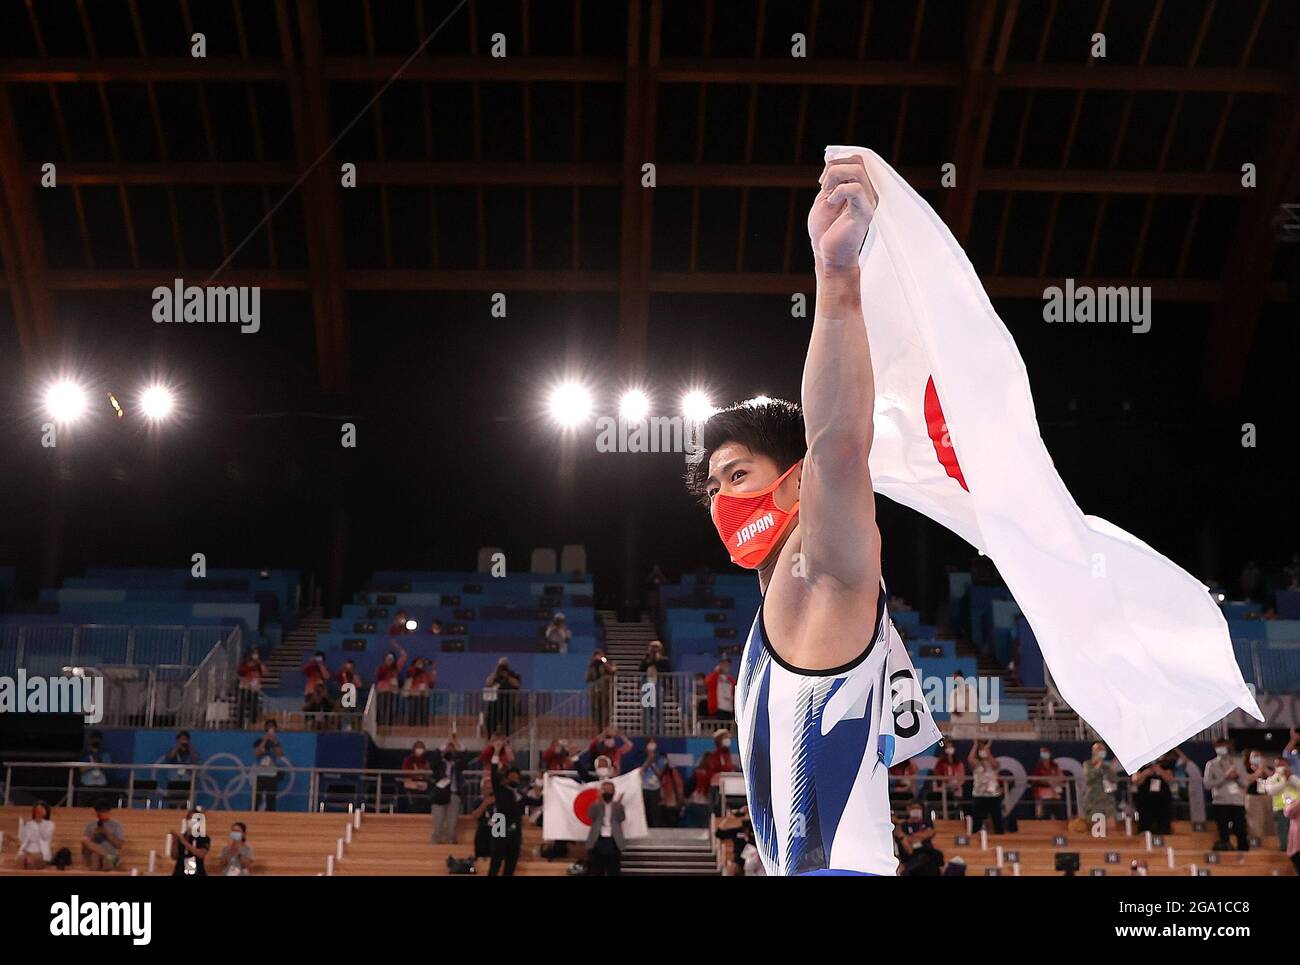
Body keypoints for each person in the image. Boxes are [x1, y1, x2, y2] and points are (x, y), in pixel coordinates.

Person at [682, 155, 916, 875]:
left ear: (795, 483)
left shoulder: (825, 569)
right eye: (713, 487)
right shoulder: (780, 611)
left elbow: (841, 445)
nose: (723, 500)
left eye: (738, 474)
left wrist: (837, 276)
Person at [1204, 738, 1250, 851]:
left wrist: (1236, 777)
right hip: (1220, 801)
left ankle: (1243, 850)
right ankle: (1226, 849)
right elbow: (1207, 784)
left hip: (1237, 801)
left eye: (1223, 746)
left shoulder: (1238, 763)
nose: (1221, 749)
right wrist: (1225, 777)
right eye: (1219, 747)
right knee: (1223, 829)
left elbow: (1245, 783)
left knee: (1240, 829)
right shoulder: (1212, 764)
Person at [487, 755, 527, 877]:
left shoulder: (521, 795)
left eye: (517, 777)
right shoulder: (501, 790)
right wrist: (495, 758)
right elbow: (494, 777)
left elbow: (538, 801)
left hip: (515, 831)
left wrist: (546, 782)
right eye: (512, 776)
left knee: (512, 861)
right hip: (500, 825)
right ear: (507, 778)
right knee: (496, 860)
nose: (515, 779)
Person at [432, 740, 470, 844]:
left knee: (452, 822)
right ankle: (435, 843)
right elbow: (434, 759)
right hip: (440, 794)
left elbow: (465, 758)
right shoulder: (439, 763)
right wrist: (442, 748)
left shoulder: (457, 764)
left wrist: (458, 744)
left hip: (454, 794)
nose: (450, 750)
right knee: (438, 822)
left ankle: (451, 843)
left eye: (452, 748)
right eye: (448, 748)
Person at [585, 781, 626, 876]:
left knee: (613, 870)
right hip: (597, 839)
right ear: (601, 791)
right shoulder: (596, 804)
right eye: (605, 790)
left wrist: (619, 806)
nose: (607, 792)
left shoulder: (618, 805)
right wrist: (598, 802)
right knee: (596, 869)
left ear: (614, 792)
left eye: (610, 790)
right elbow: (590, 815)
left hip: (613, 840)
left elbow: (622, 818)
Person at [894, 802, 943, 876]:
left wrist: (910, 837)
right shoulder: (903, 825)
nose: (916, 810)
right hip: (910, 853)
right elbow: (903, 838)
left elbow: (930, 833)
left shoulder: (926, 822)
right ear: (908, 810)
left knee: (935, 856)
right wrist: (919, 836)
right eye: (914, 808)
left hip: (927, 851)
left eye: (918, 808)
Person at [967, 739, 1004, 834]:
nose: (982, 751)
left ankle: (1000, 836)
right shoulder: (976, 763)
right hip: (979, 795)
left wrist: (987, 749)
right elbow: (970, 759)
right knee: (977, 819)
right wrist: (975, 745)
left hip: (993, 795)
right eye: (981, 750)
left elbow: (995, 764)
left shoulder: (994, 763)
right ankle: (975, 835)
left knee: (997, 819)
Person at [1263, 755, 1300, 850]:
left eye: (1283, 765)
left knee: (1296, 833)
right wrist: (1285, 781)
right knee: (1283, 832)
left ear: (1288, 765)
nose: (1281, 767)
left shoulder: (1294, 777)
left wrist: (1290, 778)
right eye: (1278, 765)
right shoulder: (1272, 779)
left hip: (1295, 810)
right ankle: (1285, 851)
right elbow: (1271, 791)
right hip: (1280, 809)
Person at [1081, 742, 1120, 832]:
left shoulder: (1107, 767)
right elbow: (1089, 779)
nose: (1102, 752)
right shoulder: (1087, 764)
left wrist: (1111, 769)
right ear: (1094, 751)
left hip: (1108, 801)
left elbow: (1114, 780)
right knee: (1098, 829)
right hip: (1094, 800)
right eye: (1100, 749)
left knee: (1112, 826)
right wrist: (1098, 765)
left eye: (1103, 750)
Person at [1131, 756, 1175, 835]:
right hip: (1145, 801)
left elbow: (1170, 778)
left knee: (1163, 828)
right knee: (1145, 827)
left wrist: (1159, 770)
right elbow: (1135, 780)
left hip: (1162, 801)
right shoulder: (1141, 766)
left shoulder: (1165, 765)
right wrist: (1145, 773)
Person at [639, 641, 672, 732]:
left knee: (658, 711)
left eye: (656, 647)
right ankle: (646, 731)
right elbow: (641, 670)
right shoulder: (645, 660)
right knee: (647, 711)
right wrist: (649, 662)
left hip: (659, 686)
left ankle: (659, 731)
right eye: (652, 647)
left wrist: (657, 667)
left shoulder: (664, 660)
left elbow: (668, 672)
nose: (654, 649)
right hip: (647, 686)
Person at [252, 720, 285, 811]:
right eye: (269, 726)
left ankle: (270, 815)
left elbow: (280, 754)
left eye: (272, 726)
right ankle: (253, 814)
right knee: (256, 798)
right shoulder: (259, 741)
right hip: (260, 774)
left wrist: (274, 742)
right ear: (265, 728)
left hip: (272, 774)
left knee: (271, 799)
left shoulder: (276, 742)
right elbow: (256, 753)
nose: (270, 729)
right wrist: (265, 740)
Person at [82, 803, 126, 871]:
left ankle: (108, 857)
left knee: (103, 860)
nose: (102, 814)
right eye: (100, 812)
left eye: (105, 811)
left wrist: (106, 832)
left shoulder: (116, 825)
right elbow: (85, 845)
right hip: (97, 855)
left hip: (112, 853)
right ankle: (107, 856)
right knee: (89, 847)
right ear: (96, 812)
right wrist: (93, 835)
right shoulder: (90, 825)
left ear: (109, 812)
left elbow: (119, 845)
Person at [163, 731, 201, 807]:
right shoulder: (173, 750)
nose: (183, 741)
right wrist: (178, 746)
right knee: (172, 803)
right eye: (181, 739)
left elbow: (196, 758)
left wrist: (189, 747)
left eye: (185, 739)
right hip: (174, 781)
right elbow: (169, 757)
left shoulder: (190, 751)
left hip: (186, 781)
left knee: (185, 802)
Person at [485, 657, 522, 734]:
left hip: (508, 705)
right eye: (501, 665)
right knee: (490, 724)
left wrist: (507, 676)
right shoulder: (495, 675)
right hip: (494, 705)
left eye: (504, 665)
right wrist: (496, 671)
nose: (503, 667)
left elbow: (517, 684)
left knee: (506, 726)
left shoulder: (514, 674)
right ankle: (491, 741)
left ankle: (506, 742)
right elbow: (488, 683)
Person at [171, 808, 210, 876]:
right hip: (180, 872)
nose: (192, 821)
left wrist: (184, 842)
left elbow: (201, 854)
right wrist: (175, 841)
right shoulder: (181, 837)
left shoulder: (204, 838)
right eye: (189, 818)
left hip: (197, 872)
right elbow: (174, 856)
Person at [16, 801, 55, 870]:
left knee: (29, 861)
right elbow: (22, 838)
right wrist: (22, 825)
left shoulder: (50, 824)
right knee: (20, 859)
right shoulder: (29, 823)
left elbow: (45, 836)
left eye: (41, 809)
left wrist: (38, 822)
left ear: (46, 811)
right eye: (37, 809)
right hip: (27, 851)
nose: (39, 811)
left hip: (40, 853)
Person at [929, 743, 966, 816]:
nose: (950, 750)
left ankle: (955, 815)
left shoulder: (959, 764)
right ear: (944, 750)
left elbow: (962, 778)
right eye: (948, 748)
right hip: (943, 788)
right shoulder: (940, 763)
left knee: (956, 796)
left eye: (951, 747)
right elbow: (938, 776)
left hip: (956, 789)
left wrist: (956, 785)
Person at [1029, 746, 1064, 819]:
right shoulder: (1038, 766)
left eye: (1045, 752)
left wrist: (1053, 781)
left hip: (1055, 795)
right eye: (1042, 752)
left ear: (1050, 753)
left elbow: (1061, 778)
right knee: (1043, 817)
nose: (1044, 754)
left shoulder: (1055, 766)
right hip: (1043, 796)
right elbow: (1034, 779)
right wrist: (1047, 782)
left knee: (1060, 816)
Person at [235, 647, 267, 726]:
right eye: (254, 653)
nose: (255, 655)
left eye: (256, 654)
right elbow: (239, 673)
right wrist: (245, 680)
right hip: (245, 687)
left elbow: (265, 672)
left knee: (254, 704)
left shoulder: (258, 665)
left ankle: (253, 722)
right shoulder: (244, 664)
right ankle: (240, 723)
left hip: (255, 688)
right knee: (242, 704)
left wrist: (259, 662)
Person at [585, 650, 617, 727]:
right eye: (597, 655)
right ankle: (597, 726)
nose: (598, 657)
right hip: (596, 690)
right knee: (596, 709)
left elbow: (612, 671)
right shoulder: (592, 665)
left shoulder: (605, 663)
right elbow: (587, 678)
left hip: (605, 690)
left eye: (600, 655)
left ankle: (605, 726)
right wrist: (591, 664)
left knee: (605, 709)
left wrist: (604, 661)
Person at [400, 741, 433, 813]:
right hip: (412, 786)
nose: (420, 749)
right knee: (414, 803)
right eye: (418, 747)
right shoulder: (408, 760)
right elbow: (405, 772)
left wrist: (425, 771)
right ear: (414, 748)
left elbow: (428, 776)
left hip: (423, 787)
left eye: (421, 747)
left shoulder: (425, 761)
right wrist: (416, 774)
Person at [640, 739, 665, 827]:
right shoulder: (640, 757)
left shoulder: (660, 758)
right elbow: (639, 772)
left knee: (655, 812)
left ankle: (656, 829)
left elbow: (660, 774)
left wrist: (653, 762)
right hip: (643, 788)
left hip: (655, 789)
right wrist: (648, 760)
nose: (651, 745)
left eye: (653, 743)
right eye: (649, 743)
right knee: (643, 811)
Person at [703, 657, 736, 722]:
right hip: (717, 710)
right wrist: (716, 672)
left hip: (729, 710)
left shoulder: (731, 680)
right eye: (723, 664)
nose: (725, 667)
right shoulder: (714, 677)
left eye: (727, 665)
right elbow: (708, 682)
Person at [80, 731, 111, 798]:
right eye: (94, 739)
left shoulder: (105, 755)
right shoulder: (85, 755)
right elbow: (81, 769)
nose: (96, 742)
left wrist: (100, 763)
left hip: (101, 784)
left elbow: (108, 770)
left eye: (98, 740)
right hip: (87, 784)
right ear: (90, 741)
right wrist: (92, 765)